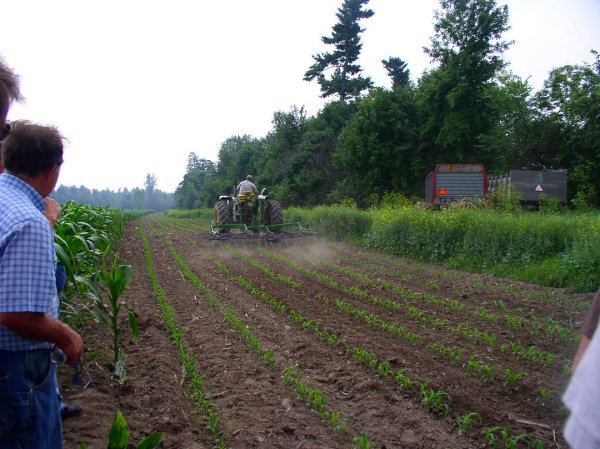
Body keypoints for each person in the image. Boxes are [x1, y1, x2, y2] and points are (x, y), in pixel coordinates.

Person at [0, 56, 82, 422]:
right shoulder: (29, 221)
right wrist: (66, 336)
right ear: (52, 173)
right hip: (19, 370)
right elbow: (17, 312)